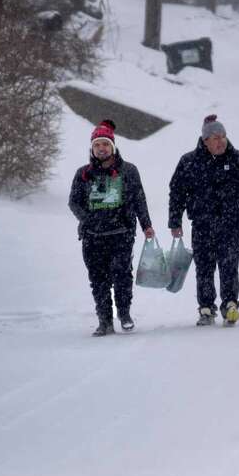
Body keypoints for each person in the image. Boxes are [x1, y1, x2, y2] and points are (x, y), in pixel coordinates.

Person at [169, 115, 239, 327]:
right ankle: (206, 308)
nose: (221, 141)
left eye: (223, 136)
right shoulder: (189, 162)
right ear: (205, 141)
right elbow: (177, 192)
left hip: (232, 225)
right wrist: (174, 221)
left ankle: (230, 305)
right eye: (215, 137)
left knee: (229, 265)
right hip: (202, 226)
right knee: (204, 268)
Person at [68, 119, 155, 336]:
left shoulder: (129, 171)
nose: (101, 148)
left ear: (113, 147)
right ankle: (104, 320)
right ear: (92, 149)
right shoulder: (83, 174)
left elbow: (139, 200)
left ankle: (124, 314)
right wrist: (87, 219)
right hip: (92, 236)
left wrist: (146, 225)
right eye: (97, 145)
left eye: (105, 144)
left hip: (121, 233)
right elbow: (74, 202)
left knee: (122, 275)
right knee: (98, 280)